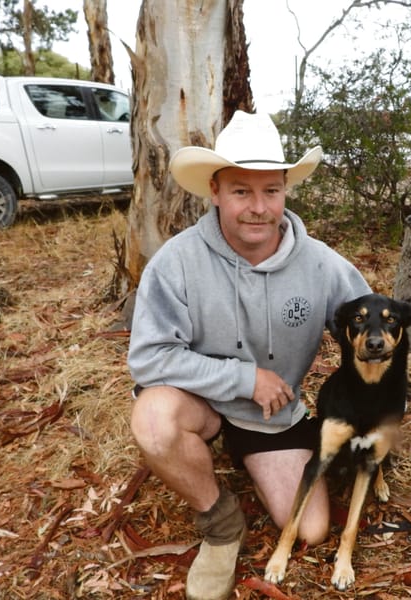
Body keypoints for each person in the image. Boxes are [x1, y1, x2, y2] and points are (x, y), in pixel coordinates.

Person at [127, 110, 371, 600]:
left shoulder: (321, 263)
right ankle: (220, 525)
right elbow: (149, 358)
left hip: (273, 412)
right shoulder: (176, 261)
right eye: (241, 191)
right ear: (214, 190)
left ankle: (246, 454)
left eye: (271, 191)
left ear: (286, 190)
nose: (258, 208)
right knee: (154, 422)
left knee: (311, 530)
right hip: (198, 400)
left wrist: (377, 393)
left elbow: (366, 333)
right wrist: (244, 379)